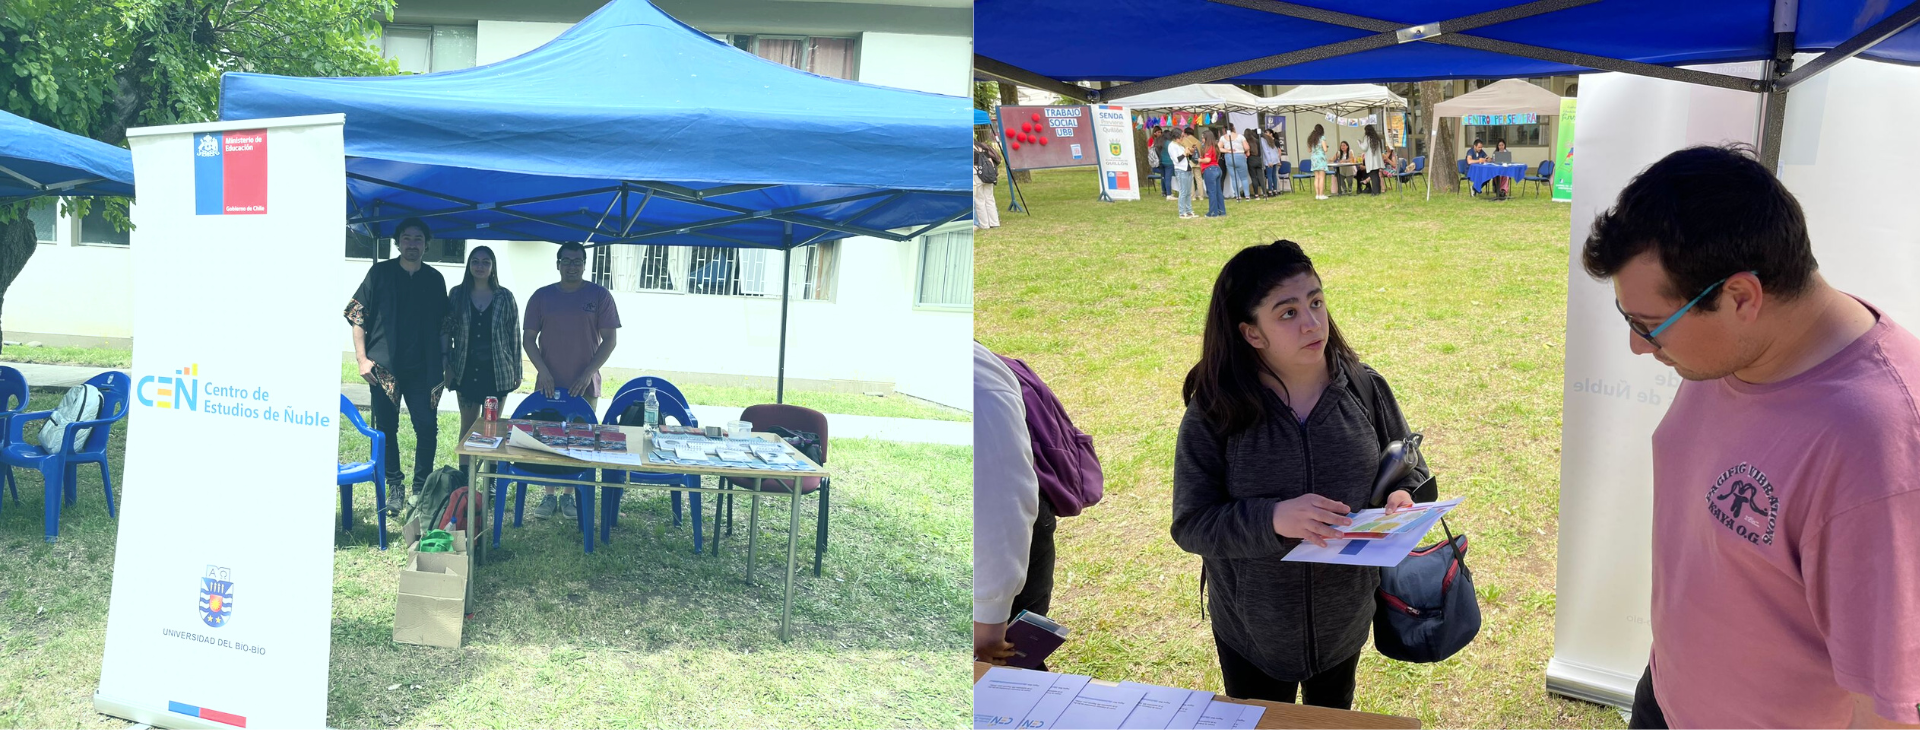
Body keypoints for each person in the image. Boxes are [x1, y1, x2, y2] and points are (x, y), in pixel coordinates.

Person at [1582, 144, 1920, 730]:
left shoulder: (1877, 446)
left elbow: (1887, 709)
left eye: (1646, 326)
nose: (1638, 346)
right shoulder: (1733, 350)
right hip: (1666, 692)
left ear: (1741, 297)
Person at [1171, 240, 1424, 710]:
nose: (1312, 323)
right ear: (1251, 333)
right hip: (1253, 633)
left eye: (1316, 301)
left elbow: (1413, 470)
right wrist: (1273, 519)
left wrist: (1403, 500)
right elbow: (1191, 523)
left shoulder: (1365, 388)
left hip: (1345, 625)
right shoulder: (1216, 409)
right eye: (1287, 313)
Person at [345, 218, 450, 514]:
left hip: (425, 368)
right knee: (386, 428)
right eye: (407, 238)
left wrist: (445, 360)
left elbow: (444, 324)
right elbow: (357, 315)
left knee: (427, 428)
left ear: (426, 244)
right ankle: (394, 486)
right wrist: (362, 359)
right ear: (398, 242)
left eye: (418, 239)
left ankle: (421, 488)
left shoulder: (434, 279)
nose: (412, 244)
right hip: (384, 368)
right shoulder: (380, 273)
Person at [523, 241, 622, 521]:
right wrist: (541, 371)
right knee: (548, 441)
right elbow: (528, 339)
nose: (572, 266)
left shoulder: (599, 295)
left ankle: (569, 495)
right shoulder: (542, 297)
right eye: (566, 261)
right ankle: (549, 494)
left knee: (579, 441)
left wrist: (588, 372)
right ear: (557, 264)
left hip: (584, 384)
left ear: (584, 264)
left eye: (577, 261)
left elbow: (610, 340)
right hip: (549, 384)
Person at [973, 341, 1052, 667]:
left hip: (1005, 552)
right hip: (991, 559)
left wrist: (989, 619)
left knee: (1011, 677)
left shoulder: (977, 387)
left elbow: (1002, 504)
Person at [445, 245, 522, 473]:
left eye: (485, 262)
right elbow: (447, 330)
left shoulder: (504, 297)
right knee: (468, 426)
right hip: (465, 369)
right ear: (469, 265)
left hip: (497, 372)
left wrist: (517, 371)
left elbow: (514, 335)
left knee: (492, 428)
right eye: (475, 261)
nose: (480, 266)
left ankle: (491, 480)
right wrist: (447, 364)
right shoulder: (457, 294)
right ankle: (464, 479)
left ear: (493, 267)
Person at [974, 130, 1003, 229]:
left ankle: (984, 224)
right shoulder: (983, 146)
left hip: (975, 174)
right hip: (988, 174)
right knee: (990, 199)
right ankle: (995, 222)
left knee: (979, 200)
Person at [1168, 128, 1196, 219]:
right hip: (1180, 170)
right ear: (1176, 137)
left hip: (1187, 169)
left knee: (1188, 192)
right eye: (1181, 137)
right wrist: (1185, 153)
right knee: (1183, 192)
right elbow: (1177, 160)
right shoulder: (1172, 146)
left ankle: (1189, 211)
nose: (1182, 139)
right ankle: (1182, 212)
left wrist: (1190, 152)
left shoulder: (1180, 145)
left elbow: (1188, 158)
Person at [1198, 128, 1226, 218]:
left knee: (1211, 192)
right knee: (1218, 192)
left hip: (1210, 170)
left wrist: (1199, 160)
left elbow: (1207, 160)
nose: (1202, 139)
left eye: (1203, 138)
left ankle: (1213, 212)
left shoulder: (1209, 147)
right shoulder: (1215, 146)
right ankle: (1221, 210)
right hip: (1217, 169)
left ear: (1207, 138)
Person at [1221, 124, 1251, 200]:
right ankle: (1247, 195)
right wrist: (1245, 150)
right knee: (1244, 177)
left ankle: (1237, 195)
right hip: (1240, 156)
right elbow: (1247, 147)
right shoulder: (1240, 136)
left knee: (1234, 178)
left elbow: (1218, 148)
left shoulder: (1223, 138)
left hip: (1229, 156)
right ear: (1233, 128)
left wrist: (1226, 150)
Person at [1359, 125, 1386, 196]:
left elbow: (1364, 148)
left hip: (1371, 161)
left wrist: (1359, 143)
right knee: (1376, 175)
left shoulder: (1367, 137)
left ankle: (1375, 192)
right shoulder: (1376, 138)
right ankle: (1378, 191)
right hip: (1377, 161)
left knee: (1373, 176)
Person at [1307, 125, 1329, 200]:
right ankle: (1321, 194)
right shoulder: (1322, 137)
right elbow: (1325, 149)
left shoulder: (1311, 139)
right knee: (1322, 177)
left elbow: (1309, 150)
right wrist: (1326, 147)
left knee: (1316, 177)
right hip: (1321, 158)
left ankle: (1317, 194)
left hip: (1314, 158)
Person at [1245, 129, 1268, 199]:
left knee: (1253, 177)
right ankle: (1264, 193)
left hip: (1251, 160)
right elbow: (1260, 152)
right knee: (1261, 177)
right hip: (1258, 159)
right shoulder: (1257, 141)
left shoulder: (1246, 142)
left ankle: (1256, 195)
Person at [1261, 129, 1283, 194]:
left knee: (1269, 176)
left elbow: (1266, 151)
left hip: (1269, 160)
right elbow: (1276, 151)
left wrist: (1269, 161)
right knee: (1274, 175)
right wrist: (1278, 160)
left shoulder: (1263, 140)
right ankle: (1275, 190)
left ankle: (1270, 190)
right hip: (1275, 159)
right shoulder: (1271, 139)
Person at [1159, 128, 1178, 200]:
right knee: (1168, 178)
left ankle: (1165, 192)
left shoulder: (1160, 142)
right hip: (1169, 162)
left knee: (1163, 178)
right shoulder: (1170, 143)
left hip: (1161, 162)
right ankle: (1169, 194)